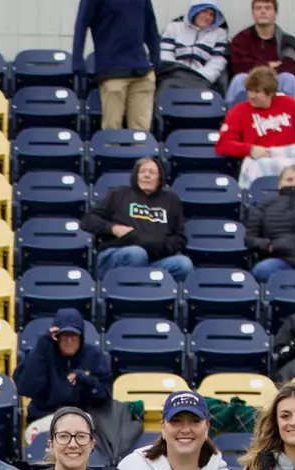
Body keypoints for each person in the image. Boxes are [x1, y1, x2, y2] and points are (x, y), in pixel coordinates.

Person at [79, 157, 194, 281]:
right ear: (136, 175)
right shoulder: (119, 193)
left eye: (152, 172)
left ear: (160, 177)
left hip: (155, 259)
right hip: (118, 255)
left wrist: (160, 246)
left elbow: (179, 237)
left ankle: (149, 288)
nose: (146, 175)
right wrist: (114, 229)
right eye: (142, 171)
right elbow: (88, 220)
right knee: (137, 254)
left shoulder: (171, 200)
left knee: (184, 265)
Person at [213, 66, 295, 189]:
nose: (251, 96)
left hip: (290, 160)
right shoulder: (238, 112)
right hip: (259, 162)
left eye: (257, 92)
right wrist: (250, 149)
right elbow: (222, 145)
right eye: (249, 90)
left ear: (270, 93)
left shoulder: (290, 105)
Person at [73, 0, 161, 132]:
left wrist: (155, 55)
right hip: (112, 71)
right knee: (112, 131)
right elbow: (82, 23)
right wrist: (77, 60)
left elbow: (150, 22)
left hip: (142, 72)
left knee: (141, 133)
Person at [15, 309, 112, 423]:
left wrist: (86, 380)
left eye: (74, 336)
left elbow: (105, 398)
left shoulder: (95, 355)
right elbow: (25, 389)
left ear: (81, 337)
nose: (69, 341)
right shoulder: (40, 353)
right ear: (56, 337)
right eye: (64, 336)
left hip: (82, 418)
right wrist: (42, 346)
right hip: (45, 417)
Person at [225, 0, 295, 105]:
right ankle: (232, 114)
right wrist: (268, 65)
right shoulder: (240, 39)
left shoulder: (287, 41)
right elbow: (240, 66)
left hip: (276, 81)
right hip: (250, 80)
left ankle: (294, 114)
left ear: (275, 14)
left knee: (289, 79)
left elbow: (291, 66)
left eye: (267, 8)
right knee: (239, 79)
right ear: (253, 13)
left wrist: (263, 71)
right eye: (258, 8)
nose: (263, 11)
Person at [157, 4, 230, 97]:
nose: (207, 17)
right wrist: (178, 73)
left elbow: (217, 61)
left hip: (201, 80)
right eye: (204, 11)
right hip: (172, 77)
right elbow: (165, 54)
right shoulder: (173, 28)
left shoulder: (219, 34)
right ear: (195, 11)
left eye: (212, 14)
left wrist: (200, 76)